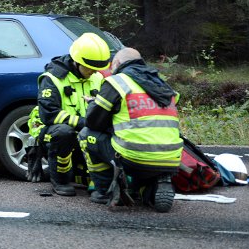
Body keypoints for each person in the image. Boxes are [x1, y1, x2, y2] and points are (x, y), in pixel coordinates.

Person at [79, 47, 184, 212]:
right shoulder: (161, 84)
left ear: (118, 63)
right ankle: (156, 183)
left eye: (111, 66)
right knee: (143, 143)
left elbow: (94, 122)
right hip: (172, 157)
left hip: (134, 157)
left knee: (87, 135)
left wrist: (94, 104)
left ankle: (105, 191)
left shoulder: (118, 82)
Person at [36, 33, 110, 196]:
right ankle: (61, 180)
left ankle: (98, 180)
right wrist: (85, 123)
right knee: (64, 133)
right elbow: (49, 115)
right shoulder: (53, 79)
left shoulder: (98, 78)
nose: (93, 71)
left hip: (87, 134)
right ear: (76, 62)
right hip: (56, 133)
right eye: (89, 67)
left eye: (97, 68)